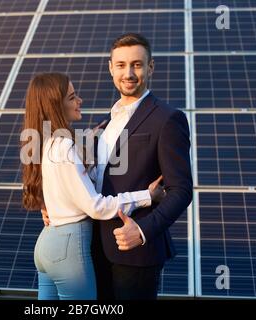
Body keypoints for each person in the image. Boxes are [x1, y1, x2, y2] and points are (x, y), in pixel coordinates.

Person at [42, 33, 193, 300]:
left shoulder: (168, 119)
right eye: (121, 65)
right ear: (111, 68)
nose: (129, 73)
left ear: (150, 67)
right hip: (93, 249)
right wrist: (55, 207)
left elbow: (181, 190)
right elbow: (82, 179)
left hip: (135, 253)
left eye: (137, 64)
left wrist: (143, 230)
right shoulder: (104, 123)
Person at [21, 72, 165, 300]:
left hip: (46, 245)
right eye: (72, 97)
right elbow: (96, 206)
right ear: (56, 105)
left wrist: (87, 149)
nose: (80, 100)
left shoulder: (46, 143)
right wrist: (146, 195)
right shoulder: (65, 146)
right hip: (68, 250)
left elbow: (65, 188)